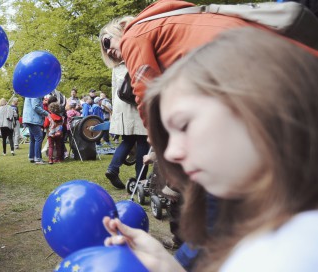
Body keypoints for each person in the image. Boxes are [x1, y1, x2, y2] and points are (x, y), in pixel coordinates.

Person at [103, 27, 318, 272]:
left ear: (257, 110)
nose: (171, 152)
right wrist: (169, 267)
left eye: (183, 125)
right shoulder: (265, 237)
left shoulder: (291, 253)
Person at [99, 0, 318, 120]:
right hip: (262, 49)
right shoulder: (162, 22)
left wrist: (159, 145)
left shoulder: (133, 35)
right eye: (104, 51)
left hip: (239, 61)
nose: (108, 52)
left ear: (120, 29)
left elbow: (146, 95)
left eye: (107, 42)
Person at [102, 64, 150, 190]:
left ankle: (113, 168)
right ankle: (141, 178)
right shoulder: (139, 59)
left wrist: (115, 112)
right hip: (140, 105)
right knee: (143, 142)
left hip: (122, 106)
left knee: (127, 140)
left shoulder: (117, 66)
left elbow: (114, 90)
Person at [23, 96, 48, 164]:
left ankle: (32, 157)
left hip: (29, 118)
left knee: (33, 139)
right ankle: (38, 158)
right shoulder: (35, 94)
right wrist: (47, 113)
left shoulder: (29, 93)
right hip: (33, 119)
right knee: (39, 137)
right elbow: (35, 107)